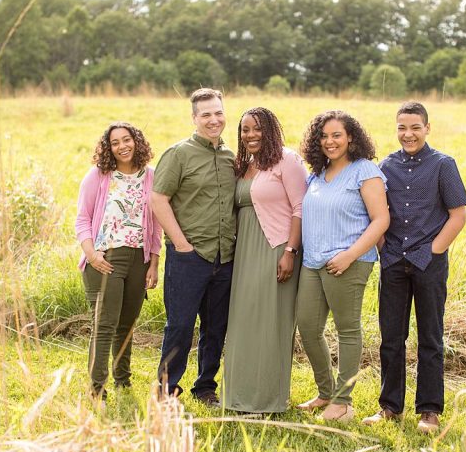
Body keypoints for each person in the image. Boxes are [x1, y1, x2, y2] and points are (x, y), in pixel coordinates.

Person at [362, 101, 466, 433]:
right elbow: (375, 212)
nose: (408, 134)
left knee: (430, 338)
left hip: (429, 264)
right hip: (393, 261)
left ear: (427, 128)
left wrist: (434, 251)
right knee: (391, 338)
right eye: (401, 128)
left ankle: (429, 410)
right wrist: (383, 248)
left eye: (414, 127)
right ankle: (390, 407)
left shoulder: (443, 165)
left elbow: (458, 216)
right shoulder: (385, 167)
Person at [295, 110, 390, 422]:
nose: (329, 141)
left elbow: (381, 220)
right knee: (308, 326)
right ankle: (326, 392)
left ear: (351, 137)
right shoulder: (317, 175)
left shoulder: (365, 171)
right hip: (313, 261)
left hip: (349, 261)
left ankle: (343, 403)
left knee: (347, 329)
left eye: (336, 135)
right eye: (324, 136)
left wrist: (350, 255)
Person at [151, 88, 236, 407]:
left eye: (218, 113)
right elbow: (158, 200)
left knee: (216, 328)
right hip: (189, 257)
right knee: (181, 325)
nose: (214, 120)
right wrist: (182, 244)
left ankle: (205, 387)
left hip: (224, 257)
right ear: (194, 118)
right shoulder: (178, 154)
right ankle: (166, 391)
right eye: (206, 115)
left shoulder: (231, 157)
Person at [222, 107, 308, 413]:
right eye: (245, 130)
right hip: (245, 252)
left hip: (277, 249)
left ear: (270, 130)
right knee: (243, 323)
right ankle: (237, 396)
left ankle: (268, 399)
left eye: (257, 129)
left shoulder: (287, 160)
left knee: (271, 324)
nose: (250, 135)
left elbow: (300, 207)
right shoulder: (243, 165)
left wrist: (290, 252)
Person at [75, 122, 163, 403]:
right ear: (108, 148)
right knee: (104, 325)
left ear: (137, 142)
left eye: (127, 140)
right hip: (105, 258)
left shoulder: (151, 176)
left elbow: (156, 223)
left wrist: (154, 263)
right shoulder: (98, 176)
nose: (122, 146)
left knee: (127, 325)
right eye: (115, 143)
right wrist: (91, 254)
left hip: (139, 259)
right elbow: (82, 220)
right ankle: (96, 388)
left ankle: (122, 382)